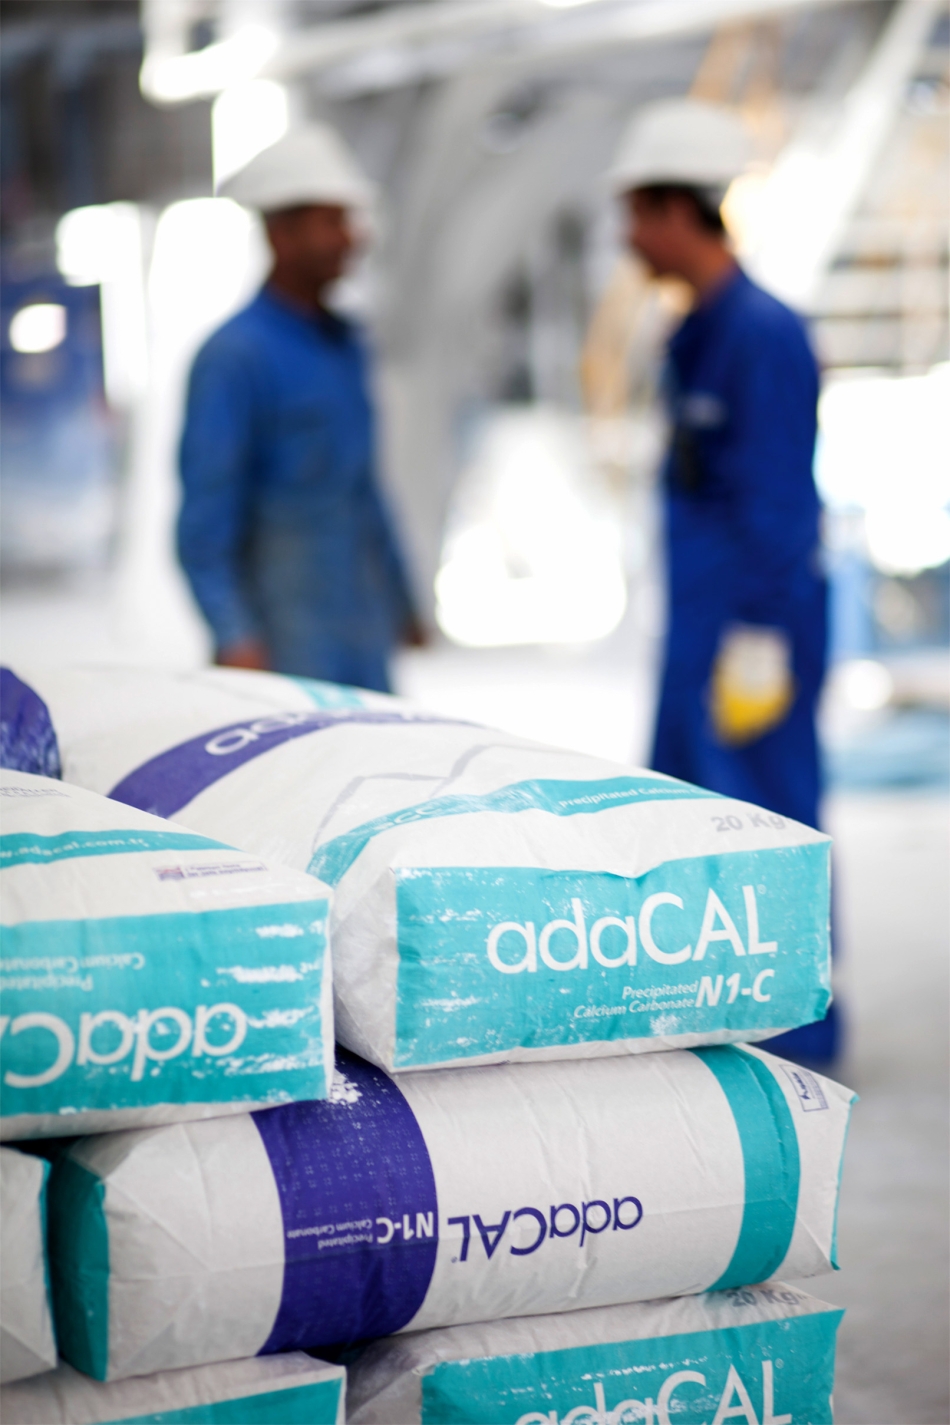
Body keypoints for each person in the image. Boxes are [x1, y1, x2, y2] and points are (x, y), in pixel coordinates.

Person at [610, 99, 837, 1064]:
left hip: (757, 622)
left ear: (677, 210)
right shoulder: (694, 331)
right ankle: (715, 1013)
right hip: (703, 620)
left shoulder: (763, 332)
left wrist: (758, 637)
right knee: (687, 816)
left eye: (635, 215)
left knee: (768, 820)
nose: (627, 238)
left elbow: (780, 498)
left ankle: (797, 1030)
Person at [177, 125, 422, 692]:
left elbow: (364, 491)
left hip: (361, 639)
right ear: (281, 234)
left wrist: (402, 599)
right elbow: (204, 523)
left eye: (349, 220)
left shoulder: (346, 346)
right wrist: (233, 635)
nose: (350, 238)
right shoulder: (234, 359)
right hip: (283, 647)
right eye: (331, 221)